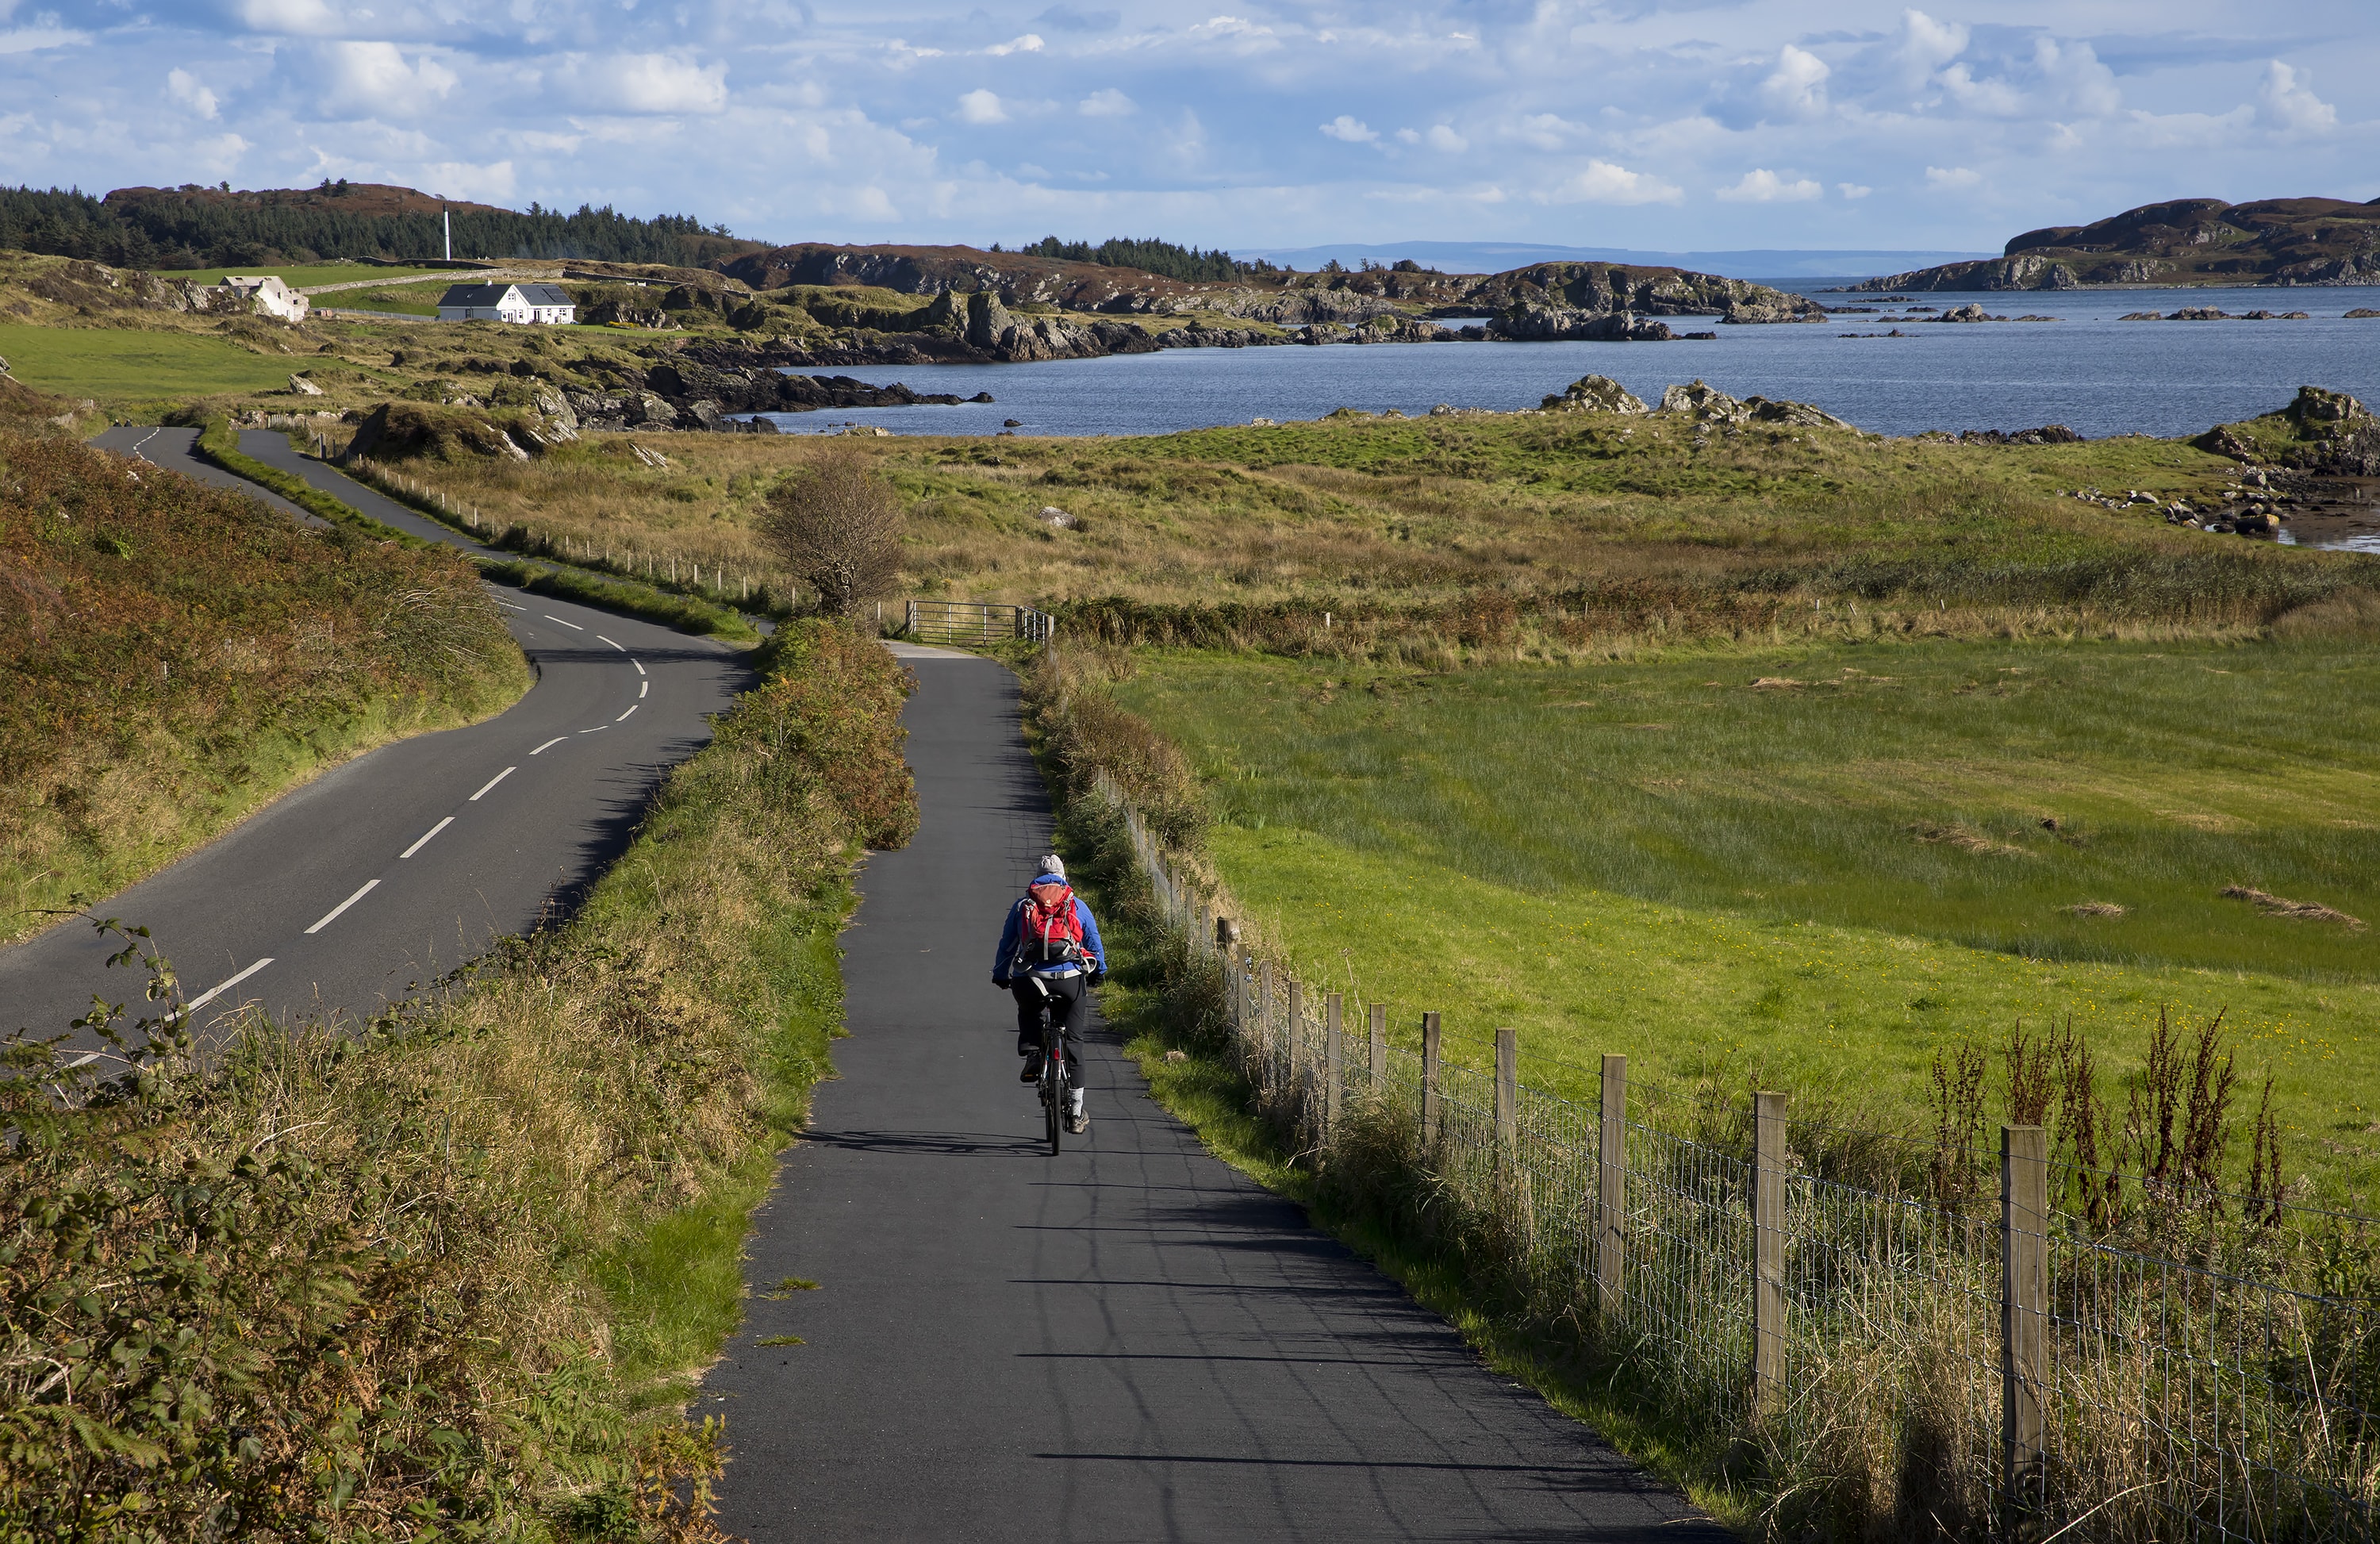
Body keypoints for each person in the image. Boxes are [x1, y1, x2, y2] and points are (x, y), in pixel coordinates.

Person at [992, 854, 1104, 1133]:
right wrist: (1098, 971)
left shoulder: (1023, 906)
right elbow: (1094, 941)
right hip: (1068, 980)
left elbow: (1007, 945)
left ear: (1037, 878)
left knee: (1028, 1008)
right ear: (1063, 877)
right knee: (1075, 1041)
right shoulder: (1076, 904)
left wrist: (1000, 974)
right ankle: (1077, 1113)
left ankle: (1032, 1050)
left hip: (1031, 979)